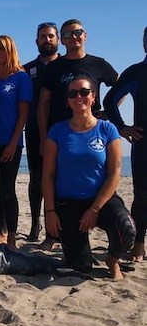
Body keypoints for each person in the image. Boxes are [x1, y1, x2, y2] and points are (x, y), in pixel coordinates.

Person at [42, 75, 136, 280]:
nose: (79, 97)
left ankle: (112, 260)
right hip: (68, 203)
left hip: (100, 200)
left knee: (127, 228)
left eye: (84, 92)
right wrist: (49, 211)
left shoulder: (107, 129)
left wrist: (94, 209)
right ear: (67, 100)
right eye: (73, 93)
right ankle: (79, 253)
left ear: (93, 97)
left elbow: (114, 173)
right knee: (81, 267)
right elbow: (48, 175)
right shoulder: (57, 131)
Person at [37, 18, 118, 249]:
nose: (73, 37)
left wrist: (107, 111)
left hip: (91, 132)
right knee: (53, 179)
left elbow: (119, 87)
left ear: (85, 35)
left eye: (77, 33)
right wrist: (43, 135)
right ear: (62, 40)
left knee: (95, 177)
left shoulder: (98, 64)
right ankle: (52, 236)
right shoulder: (53, 67)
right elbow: (43, 103)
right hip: (59, 134)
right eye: (68, 34)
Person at [0, 36, 32, 249]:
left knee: (8, 189)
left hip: (11, 142)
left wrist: (13, 142)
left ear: (10, 51)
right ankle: (1, 231)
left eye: (2, 49)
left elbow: (23, 114)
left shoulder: (21, 78)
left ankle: (11, 236)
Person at [104, 26, 147, 262]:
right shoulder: (138, 72)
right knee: (142, 196)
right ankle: (139, 243)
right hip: (143, 142)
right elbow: (110, 100)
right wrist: (121, 127)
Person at [23, 22, 60, 242]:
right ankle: (35, 224)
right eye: (43, 37)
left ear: (57, 40)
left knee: (58, 179)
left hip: (63, 130)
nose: (47, 40)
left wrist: (99, 111)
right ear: (36, 41)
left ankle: (53, 227)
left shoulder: (66, 65)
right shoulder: (26, 70)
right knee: (36, 178)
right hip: (35, 130)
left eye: (51, 36)